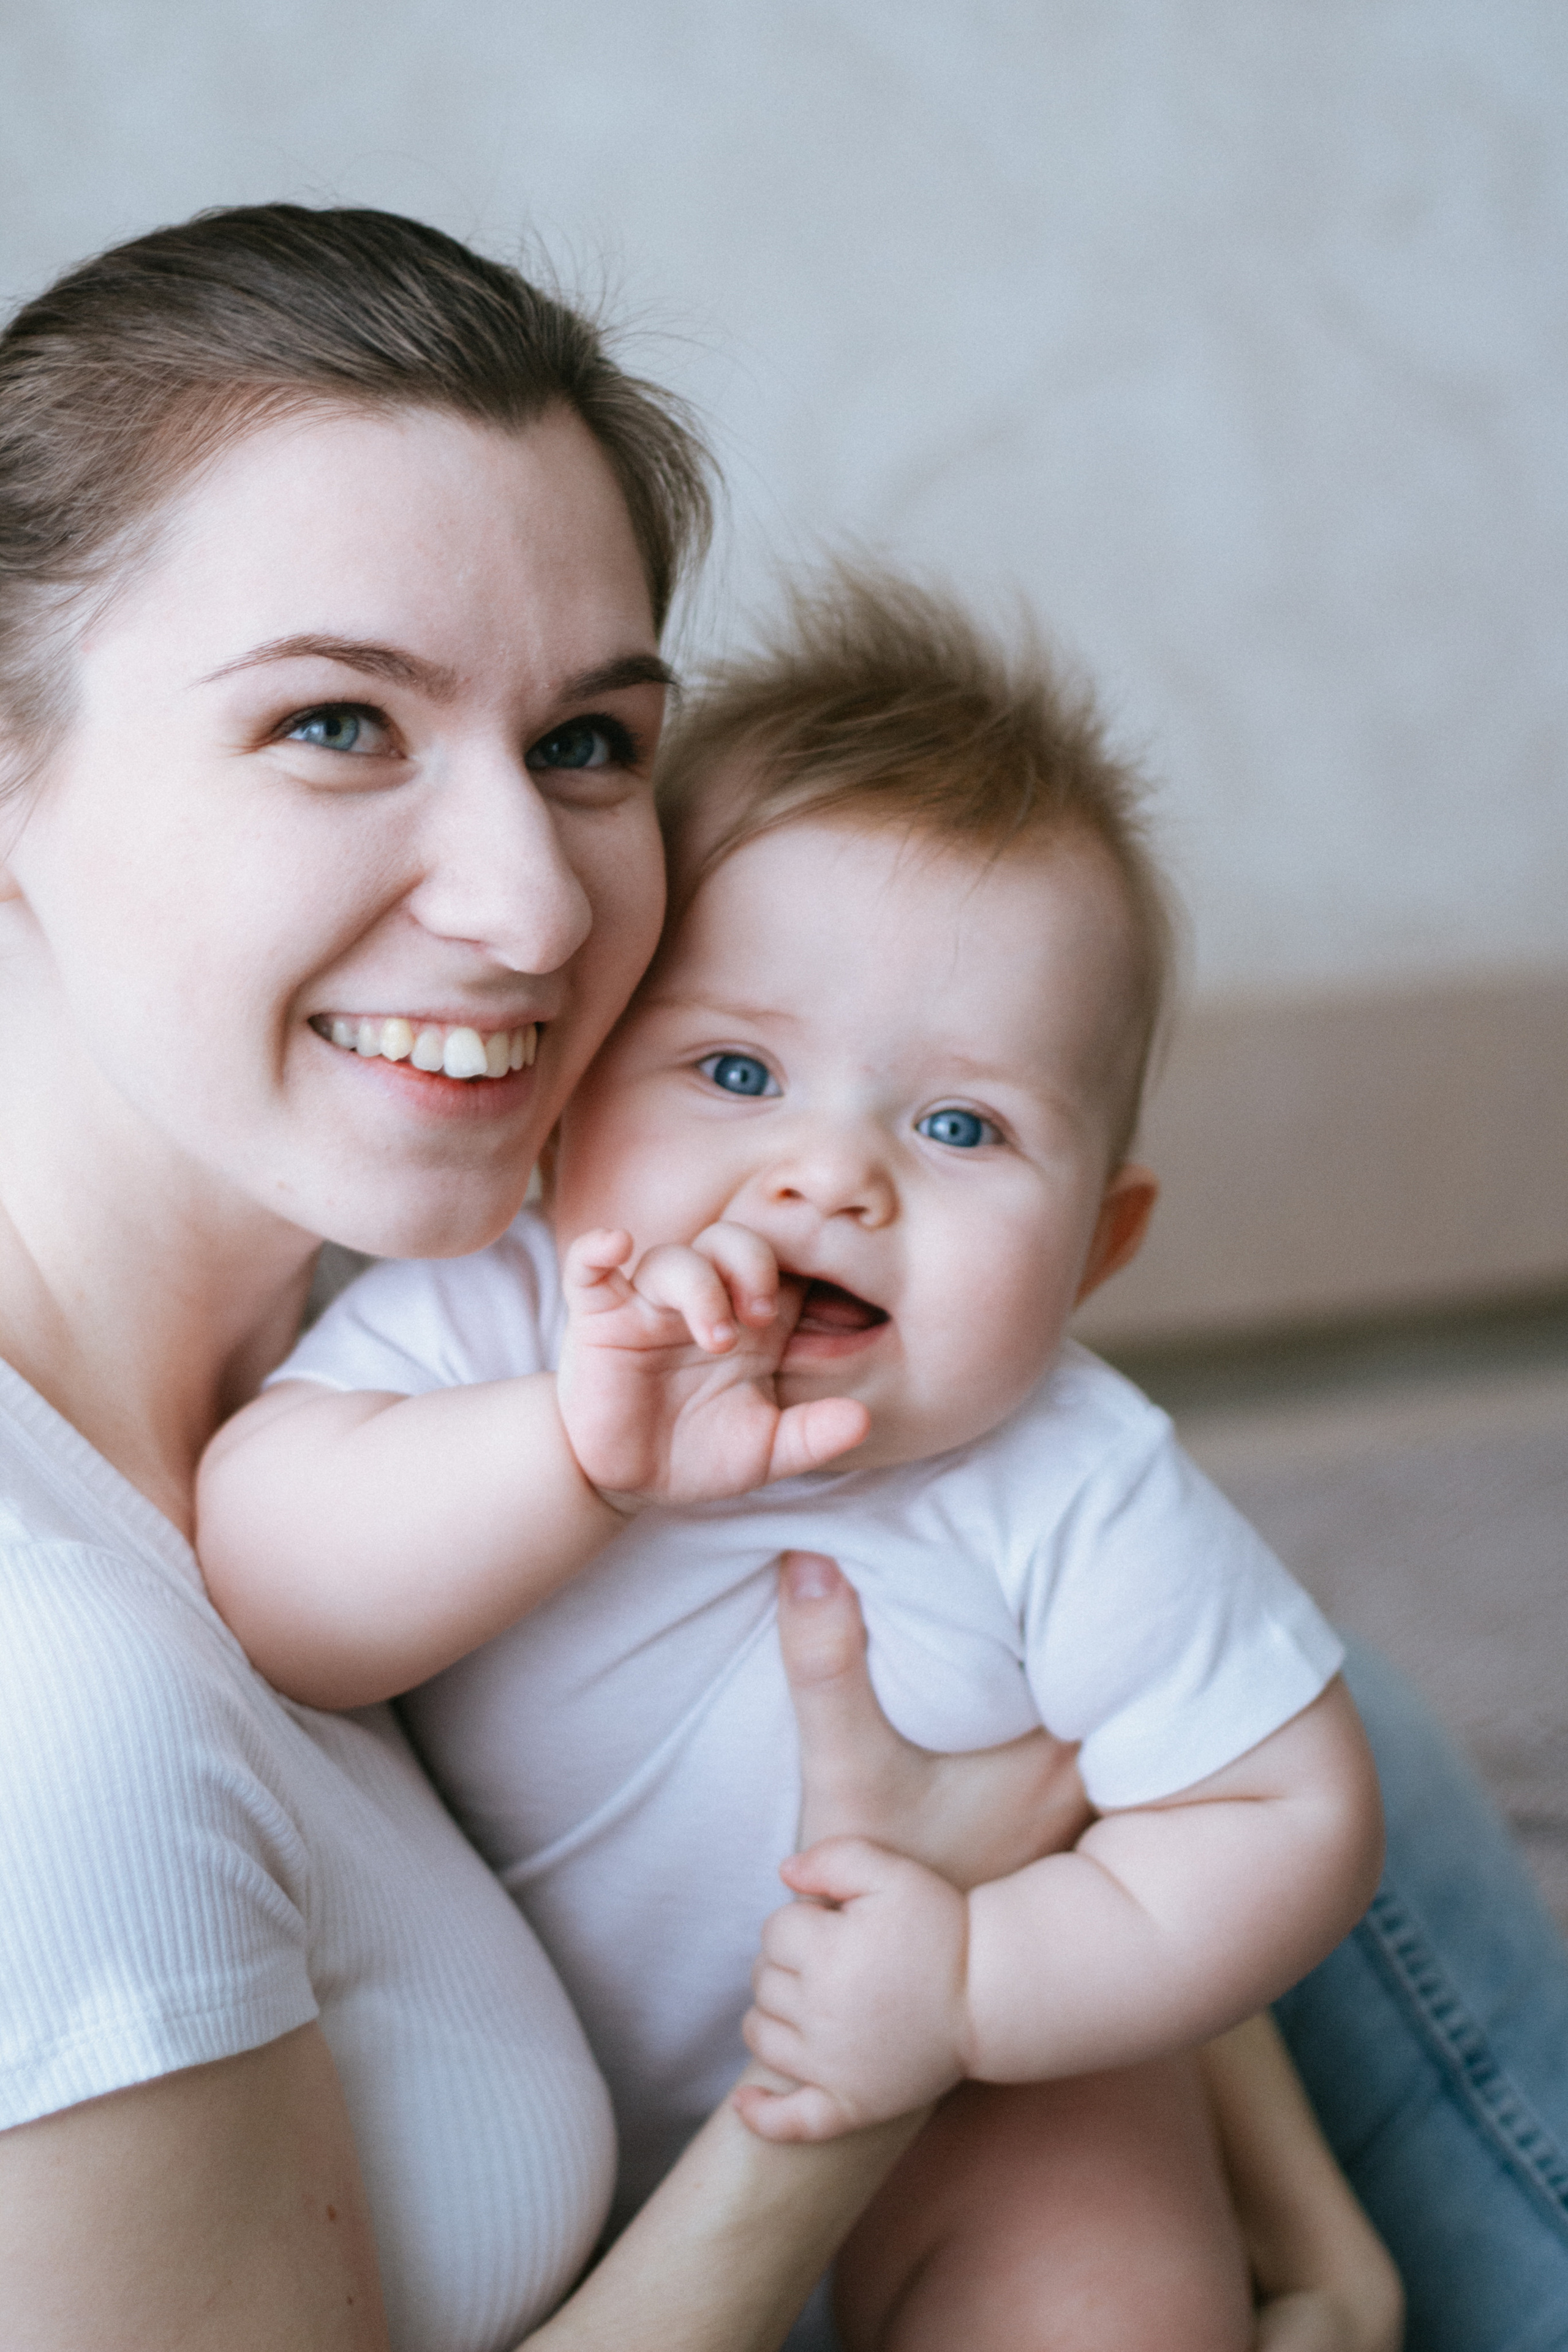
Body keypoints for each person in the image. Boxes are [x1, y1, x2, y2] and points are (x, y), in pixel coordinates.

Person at [0, 201, 1562, 2352]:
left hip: (1030, 2036)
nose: (535, 909)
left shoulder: (391, 1250)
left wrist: (1289, 2196)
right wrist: (869, 2066)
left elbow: (1130, 1751)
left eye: (588, 745)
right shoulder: (52, 1700)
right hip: (838, 2084)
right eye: (339, 725)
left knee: (1126, 1606)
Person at [197, 571, 1389, 2348]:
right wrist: (570, 1457)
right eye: (738, 1073)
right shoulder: (509, 1321)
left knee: (1103, 2259)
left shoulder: (1077, 1479)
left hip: (977, 2094)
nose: (837, 1178)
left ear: (1098, 1252)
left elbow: (1291, 1812)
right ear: (565, 1106)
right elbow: (272, 1581)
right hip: (555, 2140)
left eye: (964, 1124)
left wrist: (980, 1984)